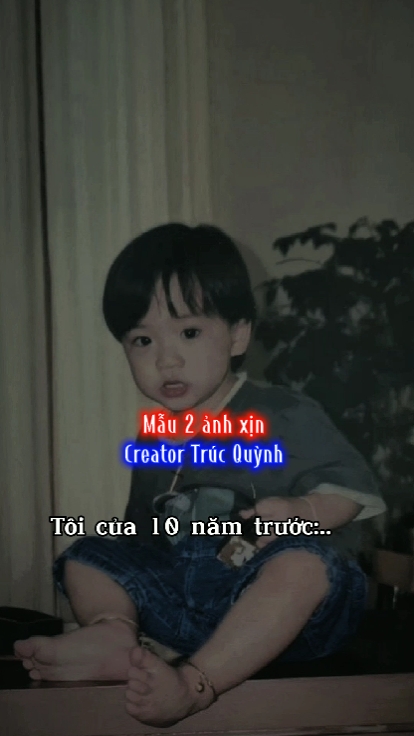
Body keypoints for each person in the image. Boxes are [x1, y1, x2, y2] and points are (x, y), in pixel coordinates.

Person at [14, 224, 386, 727]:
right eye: (142, 340)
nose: (165, 359)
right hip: (187, 606)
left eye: (189, 333)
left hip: (284, 617)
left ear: (237, 334)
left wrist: (302, 511)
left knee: (307, 566)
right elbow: (144, 537)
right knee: (87, 554)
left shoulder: (284, 411)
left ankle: (195, 684)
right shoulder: (155, 437)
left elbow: (350, 490)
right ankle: (114, 631)